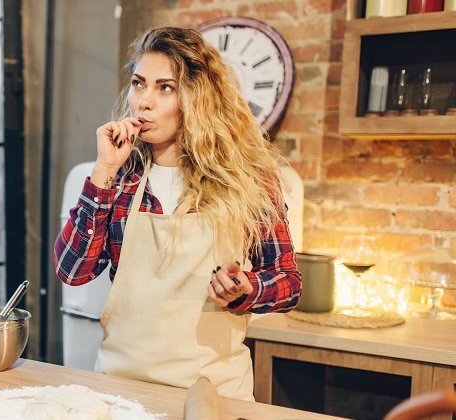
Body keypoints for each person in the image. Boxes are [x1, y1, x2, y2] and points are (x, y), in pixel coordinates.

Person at [53, 26, 302, 401]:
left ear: (197, 98)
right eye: (139, 84)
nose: (143, 102)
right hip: (121, 392)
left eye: (164, 88)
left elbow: (288, 282)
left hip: (214, 396)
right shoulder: (120, 177)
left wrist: (248, 290)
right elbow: (72, 271)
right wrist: (102, 172)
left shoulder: (249, 180)